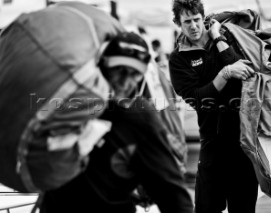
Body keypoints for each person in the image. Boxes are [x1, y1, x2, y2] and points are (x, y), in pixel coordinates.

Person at [39, 32, 194, 213]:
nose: (125, 81)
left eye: (134, 74)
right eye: (119, 70)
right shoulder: (71, 104)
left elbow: (172, 194)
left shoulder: (140, 117)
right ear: (103, 66)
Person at [169, 1, 258, 213]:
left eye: (196, 20)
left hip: (244, 141)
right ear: (177, 23)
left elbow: (248, 75)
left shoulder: (228, 39)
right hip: (212, 143)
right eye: (187, 22)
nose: (193, 26)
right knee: (206, 208)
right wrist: (225, 73)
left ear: (204, 18)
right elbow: (198, 100)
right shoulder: (179, 58)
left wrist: (218, 37)